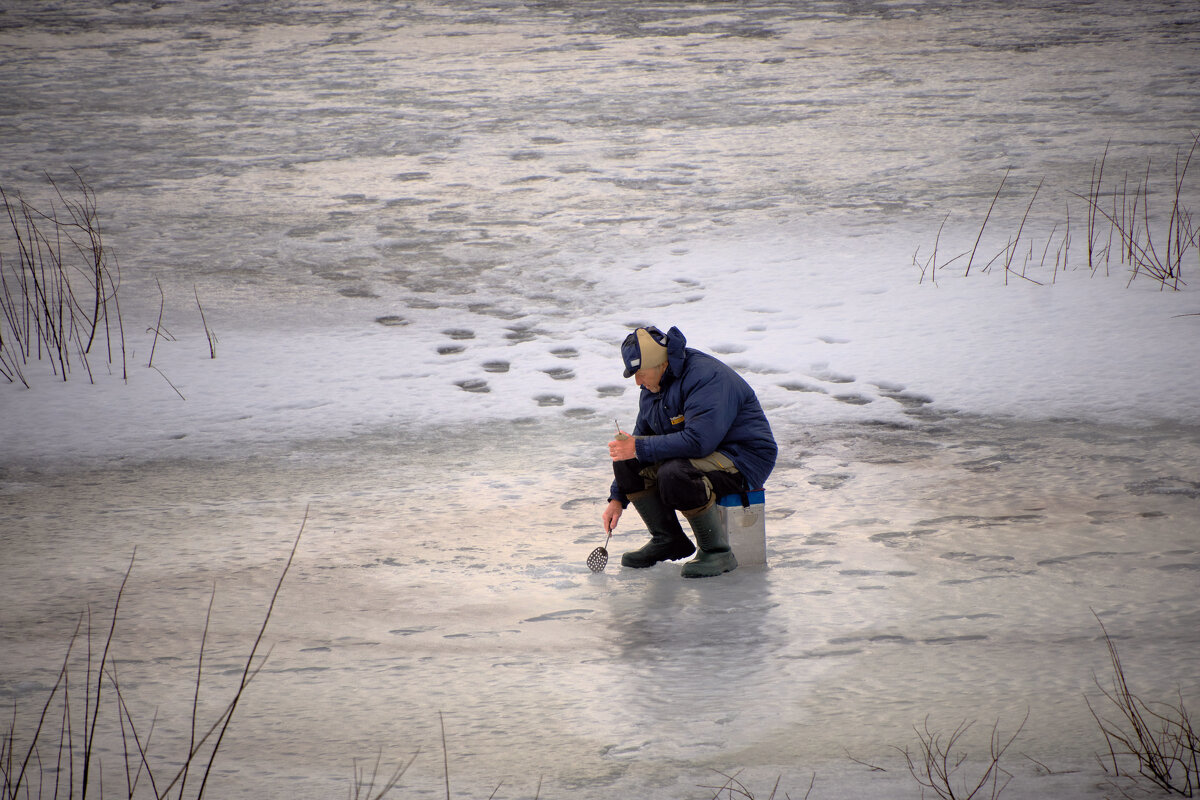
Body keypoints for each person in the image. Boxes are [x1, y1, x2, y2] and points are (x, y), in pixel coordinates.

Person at [602, 325, 777, 578]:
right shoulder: (653, 388)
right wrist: (617, 499)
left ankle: (716, 552)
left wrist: (638, 446)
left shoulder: (706, 377)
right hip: (702, 454)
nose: (637, 381)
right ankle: (668, 540)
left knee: (674, 473)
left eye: (639, 373)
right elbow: (640, 440)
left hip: (743, 457)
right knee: (627, 461)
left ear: (658, 363)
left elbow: (699, 442)